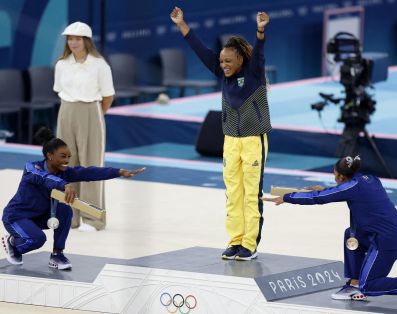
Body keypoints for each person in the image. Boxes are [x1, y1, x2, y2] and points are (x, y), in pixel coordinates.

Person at [170, 7, 272, 261]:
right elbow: (200, 49)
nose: (223, 65)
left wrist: (260, 30)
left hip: (253, 140)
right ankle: (235, 240)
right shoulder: (222, 74)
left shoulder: (254, 74)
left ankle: (250, 244)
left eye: (229, 61)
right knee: (232, 192)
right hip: (231, 141)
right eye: (222, 62)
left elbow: (259, 53)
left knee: (251, 194)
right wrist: (182, 24)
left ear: (241, 60)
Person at [263, 156, 397, 309]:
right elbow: (348, 191)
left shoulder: (351, 187)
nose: (334, 176)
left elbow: (317, 198)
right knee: (351, 234)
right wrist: (329, 189)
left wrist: (286, 198)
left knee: (369, 285)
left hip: (388, 239)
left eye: (334, 174)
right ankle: (354, 283)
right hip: (392, 232)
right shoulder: (370, 179)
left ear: (341, 176)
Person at [1, 128, 144, 270]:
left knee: (64, 210)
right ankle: (13, 242)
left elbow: (89, 172)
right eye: (63, 156)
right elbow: (45, 178)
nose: (67, 161)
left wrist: (119, 172)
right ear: (50, 155)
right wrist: (65, 185)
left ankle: (57, 254)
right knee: (37, 239)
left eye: (69, 157)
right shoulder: (31, 168)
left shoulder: (65, 172)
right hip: (16, 217)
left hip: (40, 216)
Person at [54, 21, 115, 232]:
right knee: (65, 165)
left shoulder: (100, 65)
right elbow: (59, 90)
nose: (73, 42)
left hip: (90, 110)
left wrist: (95, 114)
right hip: (66, 111)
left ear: (86, 41)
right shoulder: (61, 64)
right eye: (70, 39)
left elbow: (108, 95)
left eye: (77, 39)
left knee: (90, 165)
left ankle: (92, 218)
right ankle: (70, 216)